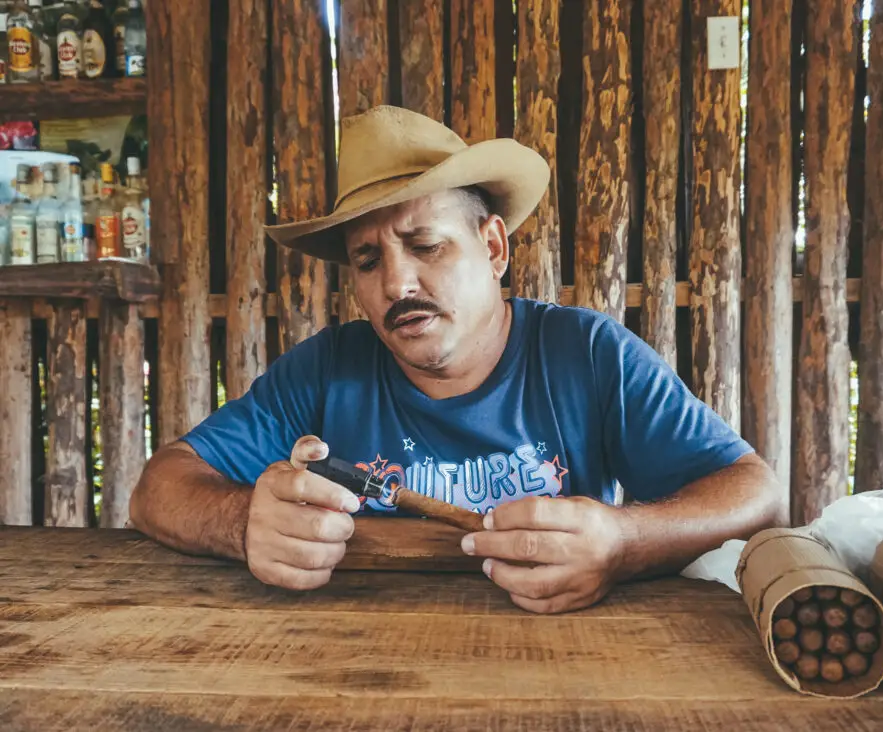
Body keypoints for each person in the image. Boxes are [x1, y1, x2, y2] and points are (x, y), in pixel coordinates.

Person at [129, 105, 784, 614]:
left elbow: (755, 495)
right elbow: (160, 488)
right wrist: (244, 522)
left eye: (426, 246)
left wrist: (624, 542)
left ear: (494, 246)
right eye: (367, 260)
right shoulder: (326, 372)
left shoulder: (585, 355)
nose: (396, 284)